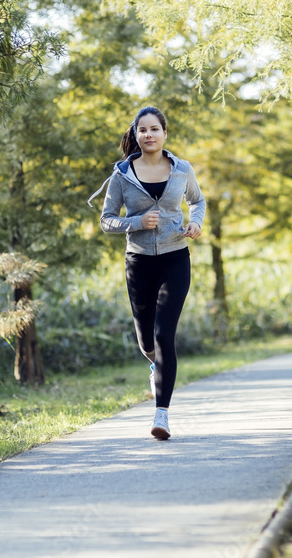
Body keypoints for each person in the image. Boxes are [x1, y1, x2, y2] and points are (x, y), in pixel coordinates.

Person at [89, 106, 205, 440]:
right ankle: (156, 367)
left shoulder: (182, 169)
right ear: (136, 135)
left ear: (164, 133)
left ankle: (161, 414)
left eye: (155, 129)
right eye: (143, 130)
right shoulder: (122, 175)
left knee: (163, 334)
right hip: (138, 261)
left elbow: (198, 201)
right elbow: (107, 219)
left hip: (174, 256)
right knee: (146, 342)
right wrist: (136, 222)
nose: (149, 135)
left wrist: (195, 222)